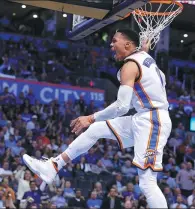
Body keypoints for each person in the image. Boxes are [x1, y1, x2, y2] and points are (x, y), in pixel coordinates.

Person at [23, 28, 172, 208]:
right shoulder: (145, 60)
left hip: (152, 121)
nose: (111, 45)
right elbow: (141, 75)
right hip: (144, 118)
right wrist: (144, 49)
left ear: (127, 44)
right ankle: (53, 166)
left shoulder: (130, 66)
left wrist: (91, 117)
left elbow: (121, 106)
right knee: (96, 130)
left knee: (147, 182)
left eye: (114, 41)